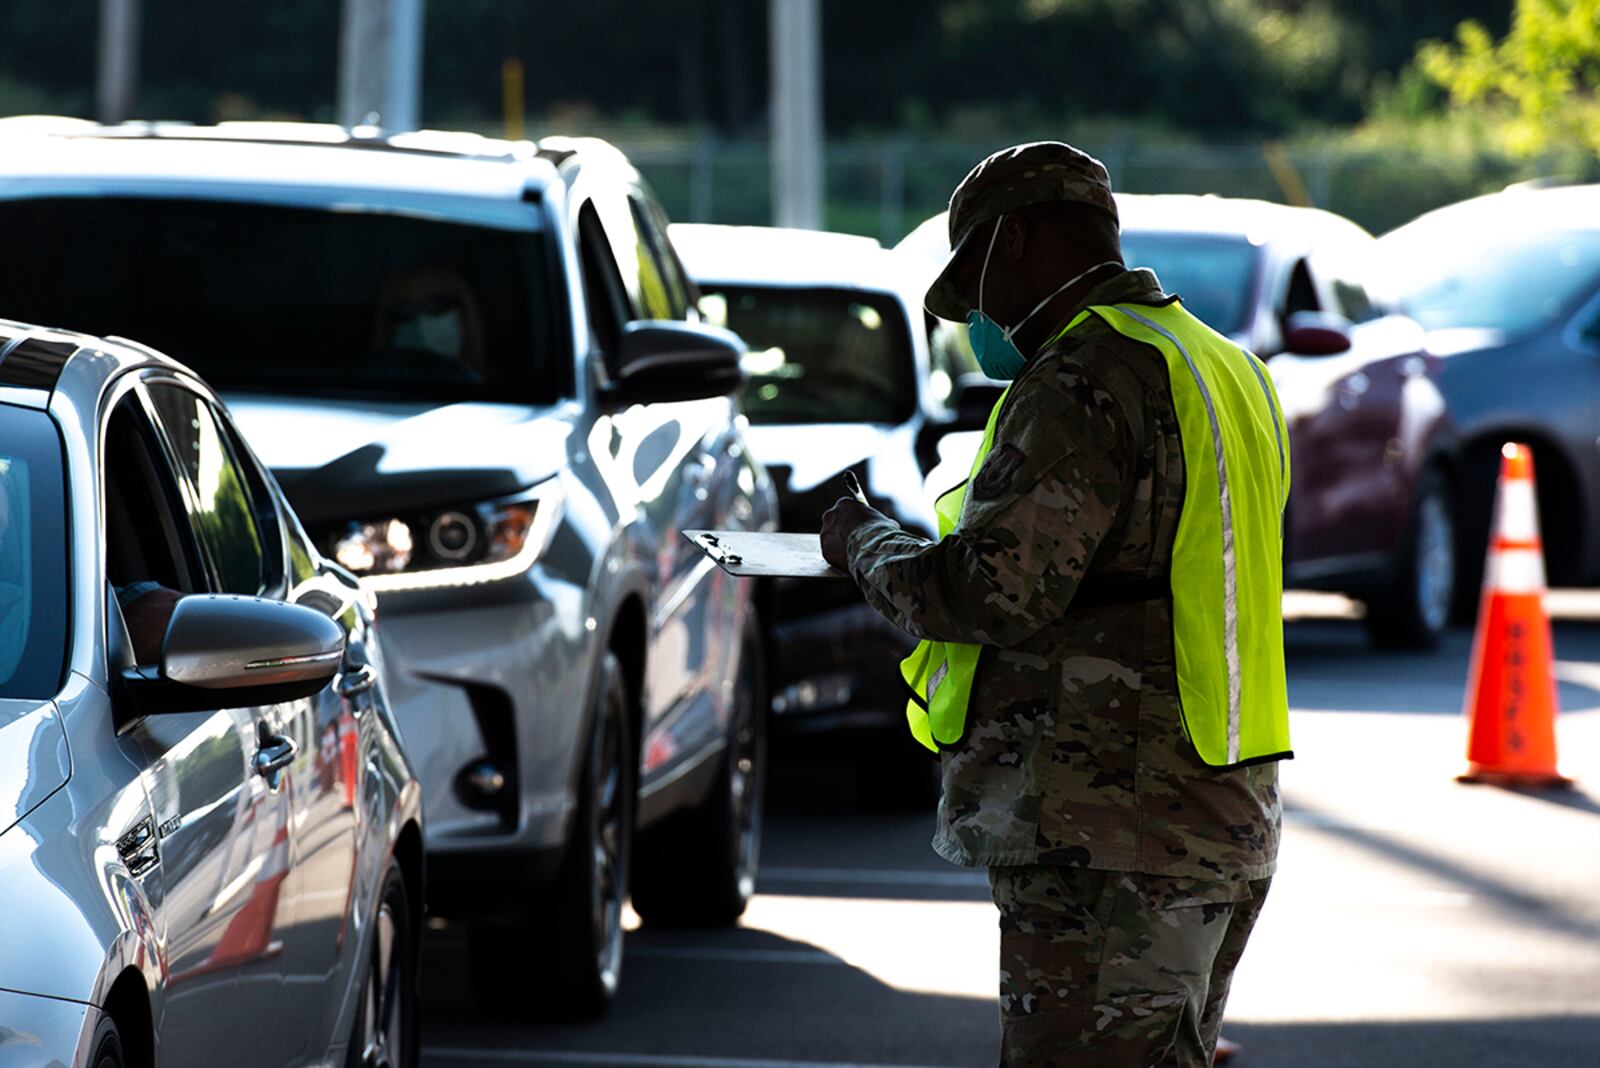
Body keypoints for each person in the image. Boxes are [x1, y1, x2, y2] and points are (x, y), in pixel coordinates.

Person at [820, 142, 1292, 1067]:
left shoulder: (1088, 376)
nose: (982, 317)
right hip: (1219, 816)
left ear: (1021, 240)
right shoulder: (1226, 367)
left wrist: (858, 541)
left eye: (978, 283)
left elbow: (986, 591)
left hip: (1109, 834)